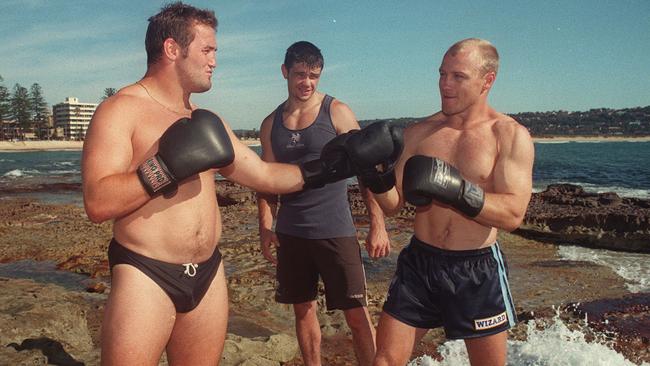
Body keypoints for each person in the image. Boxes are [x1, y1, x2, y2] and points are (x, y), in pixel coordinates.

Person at [81, 4, 359, 365]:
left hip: (208, 273)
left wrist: (332, 165)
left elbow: (264, 174)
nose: (214, 61)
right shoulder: (120, 109)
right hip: (146, 272)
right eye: (207, 50)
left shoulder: (205, 120)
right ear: (172, 49)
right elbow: (97, 202)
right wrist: (165, 167)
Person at [344, 38, 535, 365]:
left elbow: (513, 214)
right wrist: (375, 174)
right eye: (442, 74)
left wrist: (459, 192)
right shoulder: (420, 133)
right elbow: (393, 204)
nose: (445, 84)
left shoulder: (509, 135)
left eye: (458, 76)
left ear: (486, 81)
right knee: (384, 361)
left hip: (476, 269)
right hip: (421, 262)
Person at [256, 41, 392, 366]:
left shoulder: (337, 112)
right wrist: (265, 227)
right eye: (300, 74)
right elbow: (265, 182)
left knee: (357, 315)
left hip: (336, 231)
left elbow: (367, 169)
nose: (307, 83)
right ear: (285, 72)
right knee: (303, 312)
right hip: (291, 234)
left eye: (314, 75)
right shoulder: (269, 124)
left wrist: (378, 224)